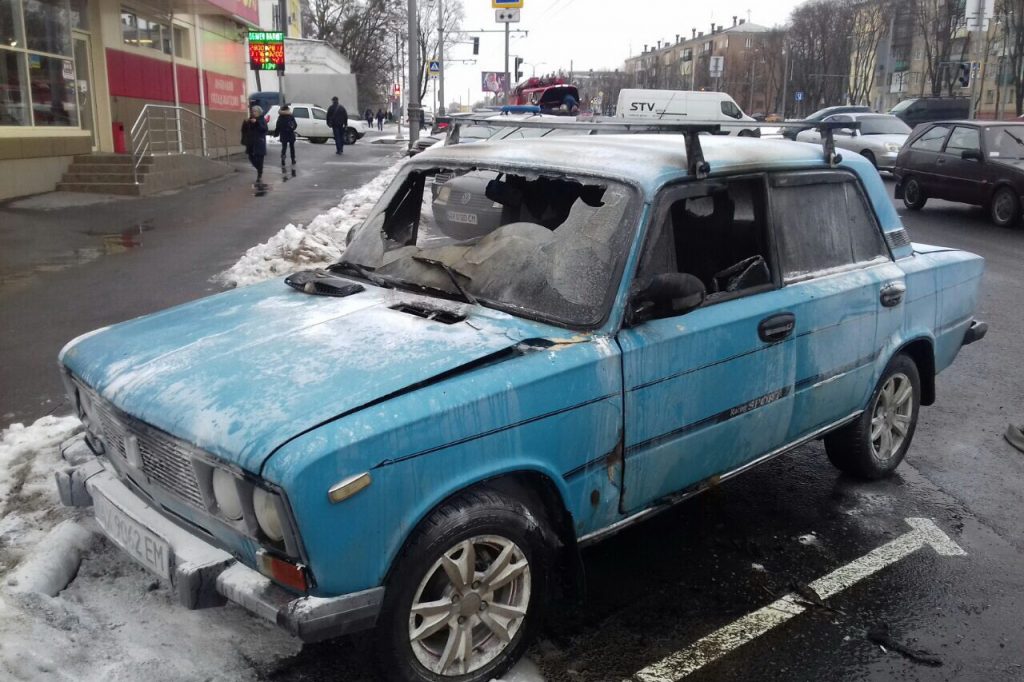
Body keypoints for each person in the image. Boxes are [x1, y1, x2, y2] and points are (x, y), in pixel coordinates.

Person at [241, 105, 268, 184]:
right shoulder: (250, 119)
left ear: (259, 112)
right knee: (251, 157)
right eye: (252, 111)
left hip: (260, 142)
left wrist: (257, 123)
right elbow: (244, 130)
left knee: (260, 159)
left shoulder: (262, 120)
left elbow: (264, 129)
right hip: (251, 142)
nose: (253, 113)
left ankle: (259, 175)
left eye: (255, 111)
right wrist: (245, 123)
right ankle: (259, 169)